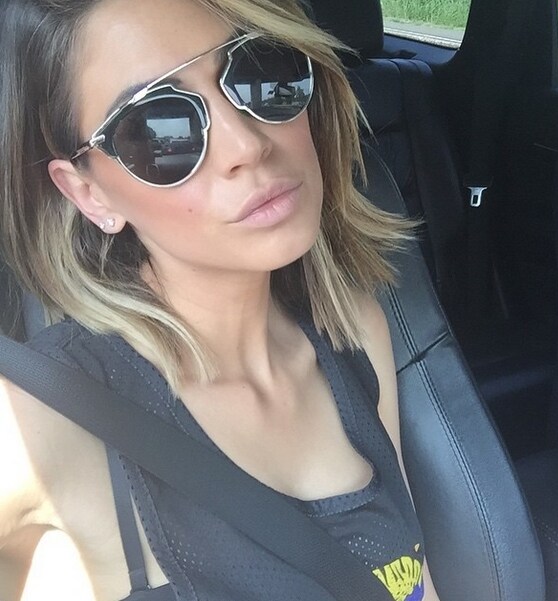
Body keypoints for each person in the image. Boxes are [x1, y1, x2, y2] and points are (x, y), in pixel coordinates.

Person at [0, 0, 442, 599]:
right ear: (88, 194)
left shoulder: (354, 331)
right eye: (158, 127)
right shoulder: (37, 423)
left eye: (261, 70)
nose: (246, 144)